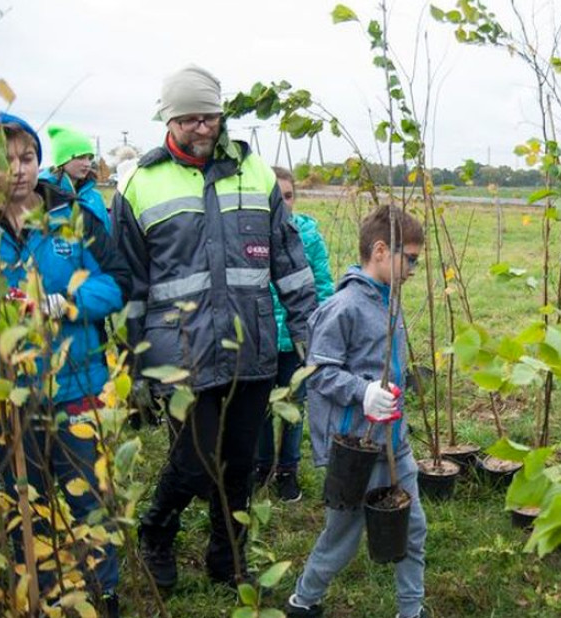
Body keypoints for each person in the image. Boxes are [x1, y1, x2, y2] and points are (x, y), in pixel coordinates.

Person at [112, 65, 318, 589]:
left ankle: (228, 559)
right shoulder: (140, 184)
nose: (202, 129)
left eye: (209, 117)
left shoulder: (257, 173)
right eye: (189, 120)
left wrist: (307, 331)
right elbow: (130, 282)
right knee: (195, 462)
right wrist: (133, 364)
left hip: (250, 349)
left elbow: (289, 262)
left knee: (240, 464)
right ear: (168, 120)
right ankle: (157, 531)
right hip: (179, 352)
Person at [0, 112, 123, 617]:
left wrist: (63, 301)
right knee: (27, 504)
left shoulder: (75, 217)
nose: (20, 170)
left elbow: (113, 283)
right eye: (4, 161)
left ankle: (100, 595)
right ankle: (47, 594)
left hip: (76, 385)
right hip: (6, 394)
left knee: (90, 498)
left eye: (28, 158)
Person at [285, 205, 428, 618]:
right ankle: (304, 600)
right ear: (381, 250)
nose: (414, 269)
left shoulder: (390, 302)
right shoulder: (343, 307)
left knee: (412, 529)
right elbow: (319, 371)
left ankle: (410, 610)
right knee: (342, 536)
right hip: (357, 449)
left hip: (394, 444)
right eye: (411, 259)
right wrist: (363, 392)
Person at [254, 167, 335, 502]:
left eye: (288, 196)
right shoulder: (251, 238)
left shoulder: (308, 237)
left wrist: (318, 329)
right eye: (276, 197)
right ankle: (261, 466)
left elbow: (323, 285)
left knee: (292, 407)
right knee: (258, 407)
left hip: (295, 340)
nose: (283, 204)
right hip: (259, 339)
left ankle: (288, 469)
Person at [40, 124, 111, 235]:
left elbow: (108, 238)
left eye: (90, 158)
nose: (87, 164)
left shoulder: (95, 197)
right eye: (80, 157)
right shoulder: (42, 194)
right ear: (62, 160)